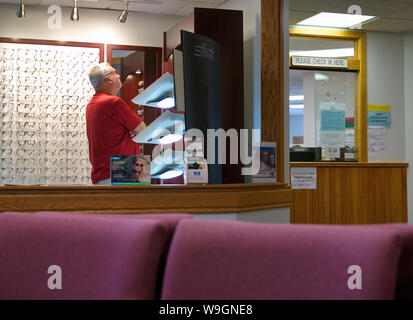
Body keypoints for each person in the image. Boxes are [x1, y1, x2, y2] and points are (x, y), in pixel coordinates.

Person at [86, 62, 146, 185]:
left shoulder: (91, 105)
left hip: (102, 175)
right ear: (108, 80)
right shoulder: (114, 102)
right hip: (123, 172)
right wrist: (133, 132)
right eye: (115, 73)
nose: (118, 76)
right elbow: (143, 132)